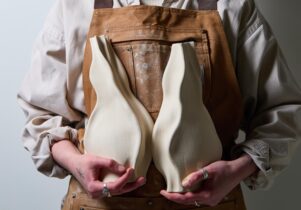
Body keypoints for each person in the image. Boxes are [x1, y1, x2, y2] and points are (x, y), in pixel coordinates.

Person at [17, 0, 301, 210]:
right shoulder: (75, 7)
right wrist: (76, 163)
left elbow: (282, 112)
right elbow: (42, 116)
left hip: (211, 204)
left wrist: (237, 170)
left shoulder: (230, 7)